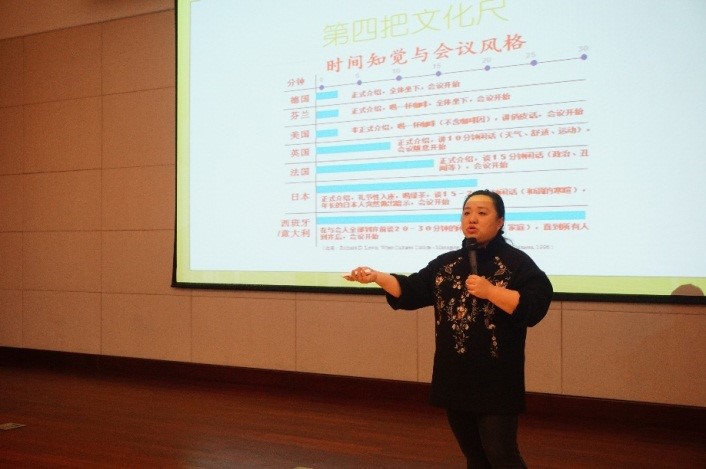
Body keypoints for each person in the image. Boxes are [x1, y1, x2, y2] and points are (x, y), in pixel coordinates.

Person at [345, 189, 553, 468]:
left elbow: (535, 305)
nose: (472, 219)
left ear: (500, 222)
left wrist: (491, 291)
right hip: (455, 377)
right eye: (467, 213)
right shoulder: (447, 264)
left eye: (482, 213)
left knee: (501, 455)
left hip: (496, 380)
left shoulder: (517, 263)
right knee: (475, 456)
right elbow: (411, 290)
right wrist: (377, 277)